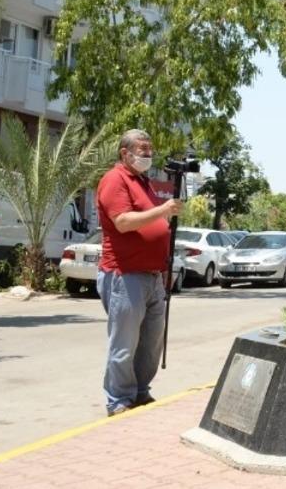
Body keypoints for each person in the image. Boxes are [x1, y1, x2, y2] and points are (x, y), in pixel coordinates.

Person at [95, 129, 183, 417]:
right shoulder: (115, 180)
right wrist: (162, 212)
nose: (148, 153)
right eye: (142, 149)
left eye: (149, 148)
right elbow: (122, 222)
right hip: (125, 274)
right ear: (125, 153)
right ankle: (118, 400)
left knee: (151, 341)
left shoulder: (142, 181)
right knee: (125, 342)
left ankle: (140, 392)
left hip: (153, 276)